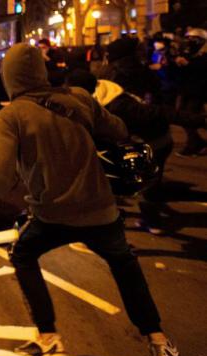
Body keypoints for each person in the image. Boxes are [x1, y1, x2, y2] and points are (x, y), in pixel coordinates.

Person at [0, 43, 187, 356]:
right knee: (124, 265)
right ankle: (159, 341)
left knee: (23, 255)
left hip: (52, 214)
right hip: (100, 209)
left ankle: (49, 335)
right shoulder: (78, 99)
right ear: (41, 71)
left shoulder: (11, 117)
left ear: (9, 77)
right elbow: (119, 129)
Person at [66, 69, 206, 234]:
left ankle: (151, 222)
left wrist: (200, 120)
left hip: (153, 144)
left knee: (142, 185)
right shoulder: (103, 94)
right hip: (144, 142)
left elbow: (161, 112)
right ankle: (149, 218)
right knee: (144, 185)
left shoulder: (118, 105)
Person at [173, 28, 207, 156]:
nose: (190, 41)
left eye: (194, 39)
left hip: (197, 92)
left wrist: (188, 64)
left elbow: (201, 70)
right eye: (189, 38)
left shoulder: (203, 55)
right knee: (183, 117)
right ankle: (197, 142)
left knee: (188, 118)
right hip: (185, 90)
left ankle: (194, 144)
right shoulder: (189, 52)